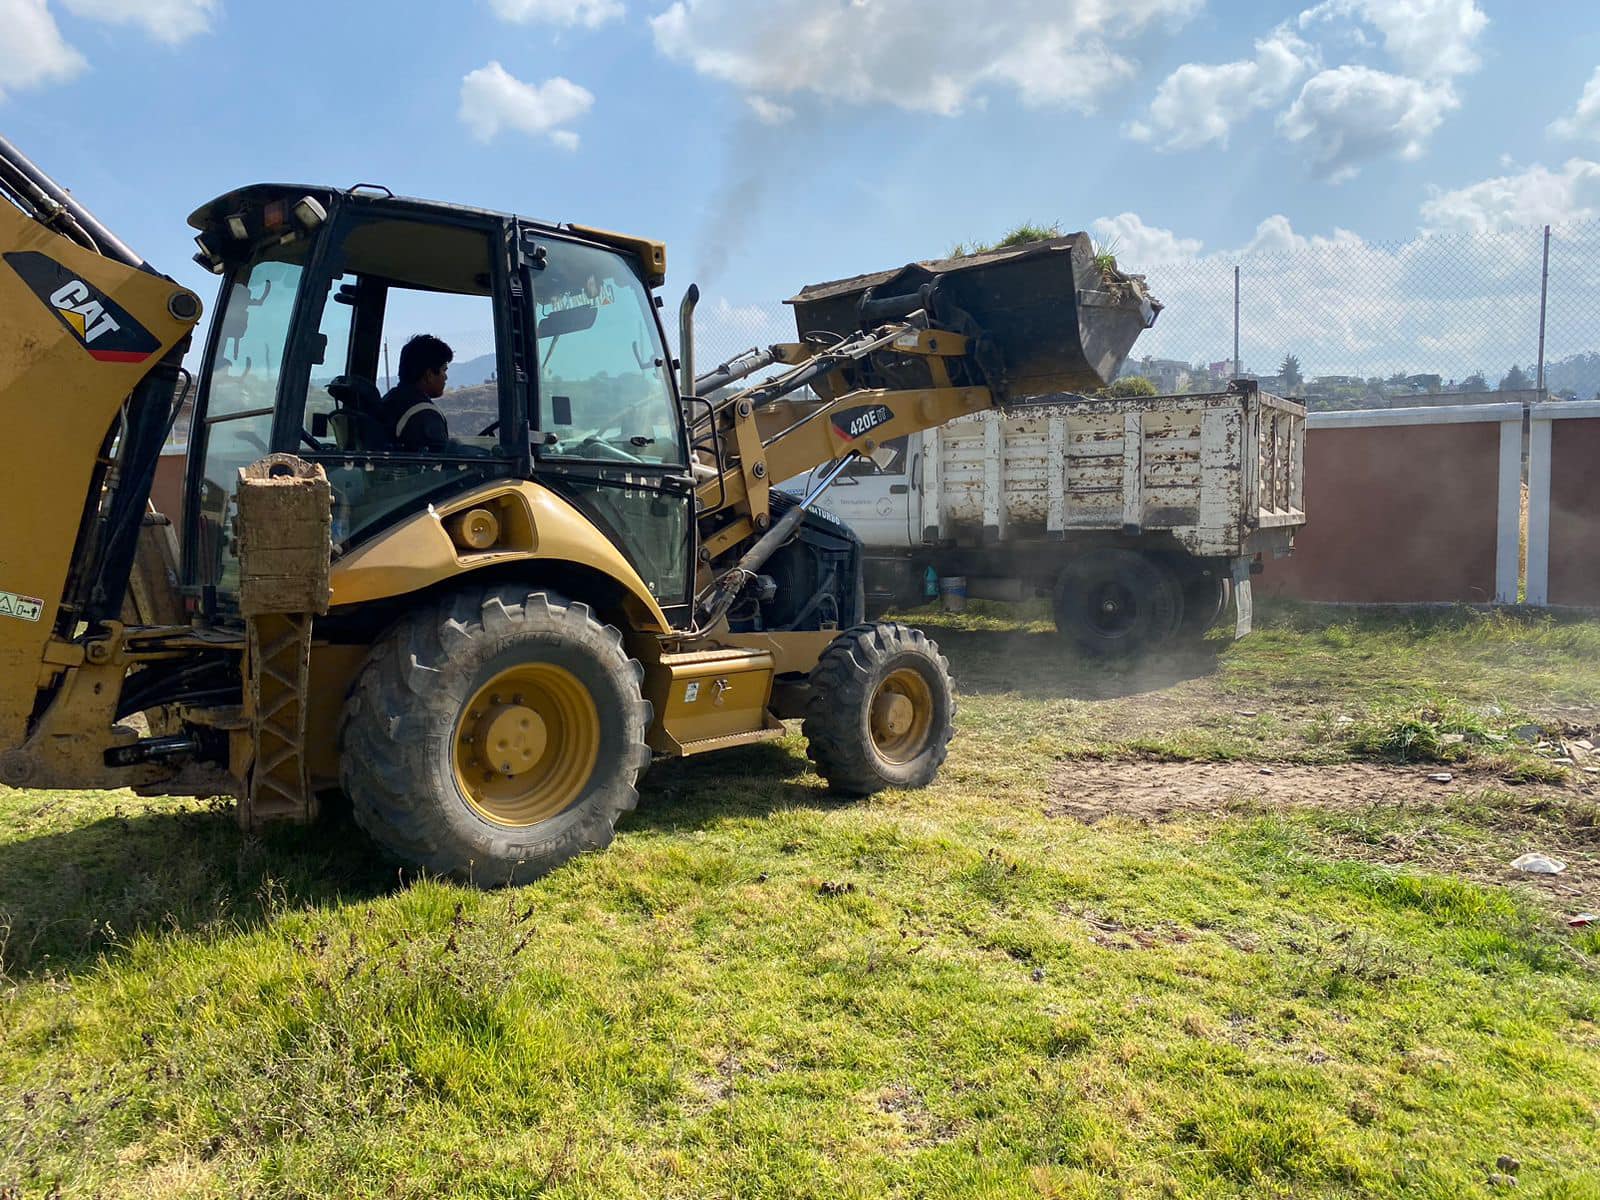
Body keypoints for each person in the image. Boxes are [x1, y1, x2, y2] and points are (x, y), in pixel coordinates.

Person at [379, 334, 453, 450]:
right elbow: (441, 463)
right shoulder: (425, 416)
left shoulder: (389, 400)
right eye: (443, 370)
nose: (446, 377)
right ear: (429, 375)